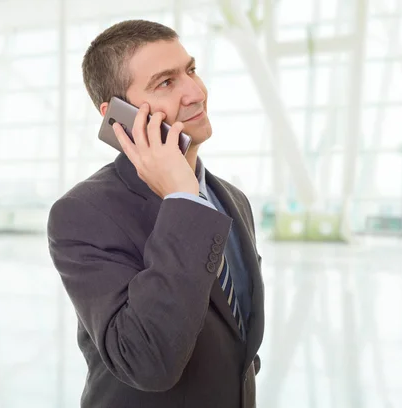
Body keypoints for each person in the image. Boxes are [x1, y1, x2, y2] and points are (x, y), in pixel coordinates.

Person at [48, 19, 264, 408]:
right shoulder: (82, 213)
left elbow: (236, 334)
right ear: (118, 114)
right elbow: (146, 362)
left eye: (191, 71)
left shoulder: (233, 199)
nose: (196, 92)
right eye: (166, 82)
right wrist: (183, 201)